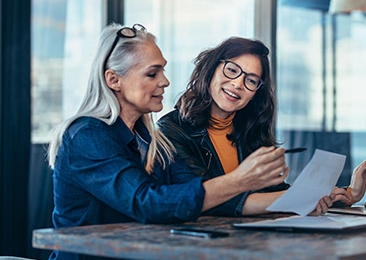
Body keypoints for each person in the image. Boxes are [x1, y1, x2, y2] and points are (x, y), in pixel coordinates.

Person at [47, 24, 294, 260]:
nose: (165, 81)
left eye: (163, 71)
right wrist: (240, 180)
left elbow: (196, 194)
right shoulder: (87, 136)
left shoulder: (149, 139)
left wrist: (300, 201)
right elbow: (148, 203)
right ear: (114, 80)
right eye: (152, 73)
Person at [157, 37, 366, 217]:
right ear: (211, 69)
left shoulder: (249, 131)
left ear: (255, 94)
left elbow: (274, 193)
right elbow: (205, 199)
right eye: (232, 70)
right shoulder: (171, 130)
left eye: (251, 81)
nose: (238, 84)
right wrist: (300, 200)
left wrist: (349, 194)